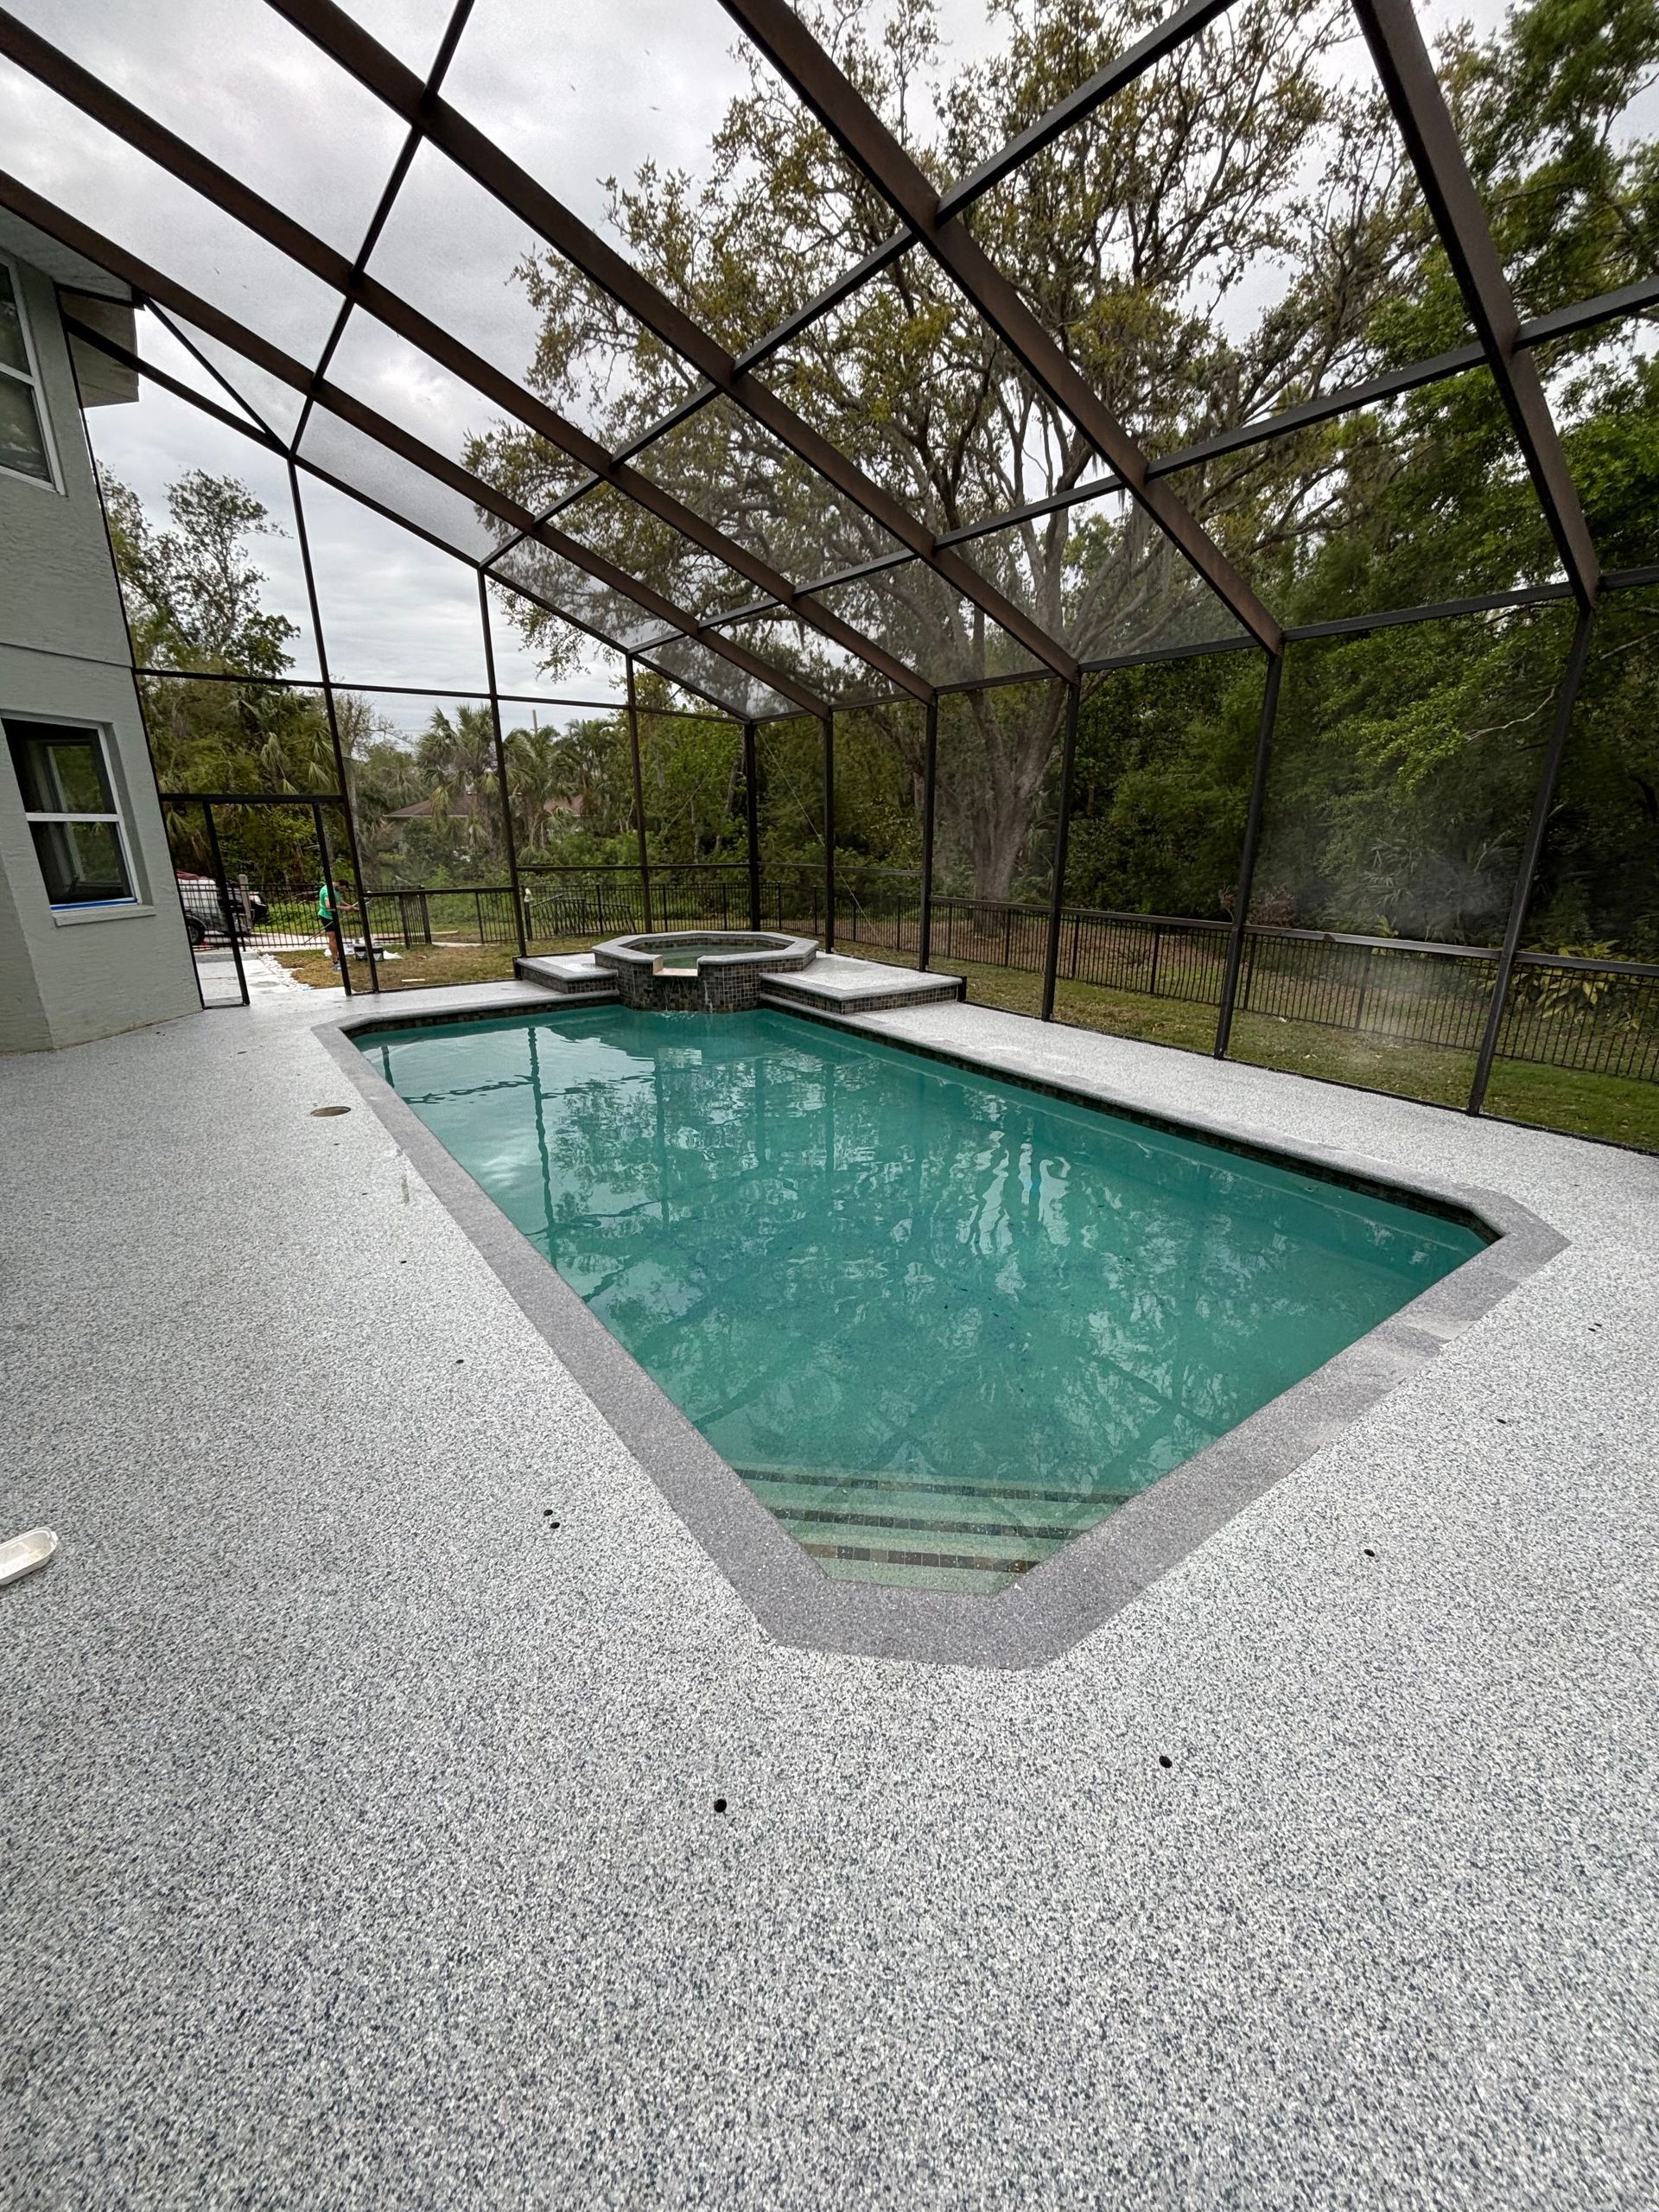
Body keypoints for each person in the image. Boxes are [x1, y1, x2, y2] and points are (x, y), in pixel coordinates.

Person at [317, 875, 341, 968]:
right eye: (342, 889)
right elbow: (328, 906)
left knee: (337, 937)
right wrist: (345, 908)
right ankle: (335, 959)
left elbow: (339, 901)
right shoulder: (327, 890)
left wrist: (350, 907)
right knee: (332, 938)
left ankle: (338, 956)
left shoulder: (335, 889)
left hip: (333, 916)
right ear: (338, 884)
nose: (342, 891)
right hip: (326, 916)